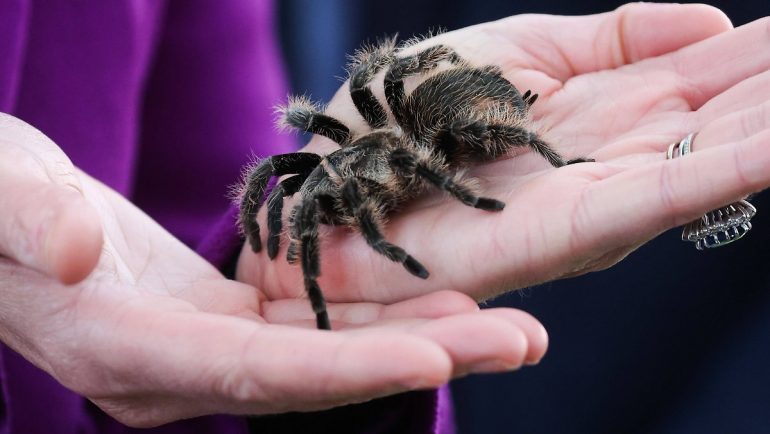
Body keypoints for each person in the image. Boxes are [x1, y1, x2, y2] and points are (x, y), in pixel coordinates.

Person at [0, 2, 768, 434]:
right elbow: (270, 176)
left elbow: (379, 91)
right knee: (287, 180)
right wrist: (253, 253)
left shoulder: (406, 152)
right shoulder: (331, 173)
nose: (322, 207)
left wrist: (238, 279)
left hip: (449, 118)